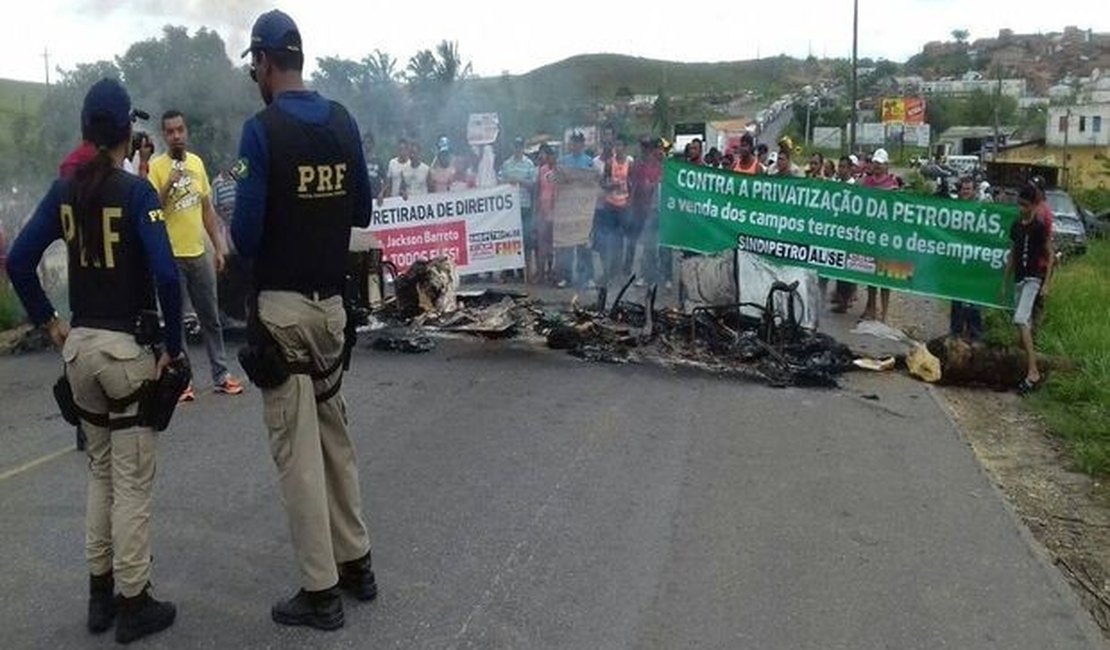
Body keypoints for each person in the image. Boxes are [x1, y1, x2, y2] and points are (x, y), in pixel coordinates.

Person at [6, 78, 184, 644]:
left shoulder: (65, 189)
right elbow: (167, 275)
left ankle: (99, 595)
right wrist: (173, 348)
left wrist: (50, 322)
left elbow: (19, 259)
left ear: (86, 130)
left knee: (101, 473)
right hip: (124, 352)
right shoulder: (136, 193)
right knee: (131, 481)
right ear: (125, 132)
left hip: (79, 349)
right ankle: (134, 602)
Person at [234, 9, 376, 630]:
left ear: (264, 62)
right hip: (332, 311)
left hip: (284, 314)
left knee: (298, 454)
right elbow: (362, 208)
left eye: (255, 65)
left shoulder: (261, 131)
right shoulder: (342, 121)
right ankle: (357, 562)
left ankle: (321, 592)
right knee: (335, 439)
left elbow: (244, 237)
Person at [147, 110, 244, 400]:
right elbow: (152, 209)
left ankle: (221, 375)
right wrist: (169, 184)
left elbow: (206, 210)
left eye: (180, 130)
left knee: (210, 317)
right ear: (164, 135)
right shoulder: (156, 168)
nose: (176, 136)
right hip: (171, 256)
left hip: (198, 252)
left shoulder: (197, 163)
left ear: (185, 131)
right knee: (175, 319)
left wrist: (218, 247)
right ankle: (183, 380)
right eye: (170, 132)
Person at [1002, 184, 1053, 394]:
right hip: (1020, 278)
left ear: (1033, 205)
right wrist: (1004, 282)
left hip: (1034, 277)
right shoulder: (1016, 225)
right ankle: (1024, 367)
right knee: (1024, 325)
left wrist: (1046, 283)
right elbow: (1013, 253)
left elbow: (1050, 255)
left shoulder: (1039, 227)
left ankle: (1033, 371)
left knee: (1021, 319)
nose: (1021, 208)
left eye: (1025, 205)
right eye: (1019, 204)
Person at [860, 148, 899, 321]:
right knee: (870, 273)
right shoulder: (866, 181)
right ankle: (871, 308)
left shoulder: (892, 183)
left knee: (885, 275)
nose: (876, 166)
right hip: (870, 234)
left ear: (886, 165)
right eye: (875, 163)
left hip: (886, 235)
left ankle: (884, 313)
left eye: (880, 164)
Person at [555, 132, 597, 288]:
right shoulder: (563, 161)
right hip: (567, 208)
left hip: (583, 209)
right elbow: (558, 181)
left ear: (583, 145)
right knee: (566, 244)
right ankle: (566, 277)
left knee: (583, 243)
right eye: (573, 143)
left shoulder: (589, 162)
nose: (576, 146)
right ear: (570, 145)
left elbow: (593, 182)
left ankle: (587, 276)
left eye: (579, 143)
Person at [949, 177, 985, 340]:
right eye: (963, 189)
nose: (965, 192)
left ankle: (974, 334)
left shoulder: (980, 209)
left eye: (968, 189)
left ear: (974, 191)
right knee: (956, 297)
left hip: (974, 261)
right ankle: (955, 332)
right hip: (957, 260)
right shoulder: (954, 208)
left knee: (974, 298)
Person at [498, 136, 537, 277]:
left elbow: (533, 185)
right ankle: (508, 270)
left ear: (523, 147)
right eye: (516, 146)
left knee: (525, 239)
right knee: (509, 239)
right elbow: (500, 182)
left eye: (520, 146)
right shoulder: (506, 164)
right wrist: (508, 181)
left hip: (524, 205)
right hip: (509, 208)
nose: (518, 149)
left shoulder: (529, 164)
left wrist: (519, 181)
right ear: (512, 147)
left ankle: (526, 271)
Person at [534, 144, 558, 283]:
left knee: (554, 244)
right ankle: (541, 273)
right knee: (542, 243)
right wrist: (537, 209)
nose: (550, 158)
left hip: (556, 212)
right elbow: (538, 189)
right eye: (549, 155)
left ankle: (552, 271)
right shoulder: (542, 170)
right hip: (543, 211)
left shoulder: (560, 170)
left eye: (552, 155)